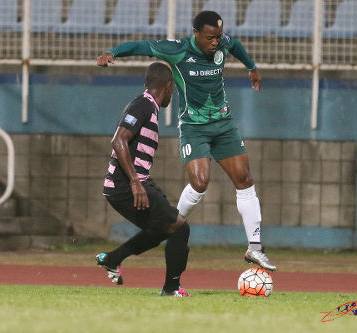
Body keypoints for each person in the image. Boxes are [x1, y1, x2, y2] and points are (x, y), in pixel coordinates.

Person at [97, 11, 275, 271]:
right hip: (194, 128)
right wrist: (113, 52)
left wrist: (251, 67)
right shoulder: (177, 50)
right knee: (200, 182)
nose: (216, 42)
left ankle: (255, 249)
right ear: (196, 34)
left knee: (245, 179)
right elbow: (142, 46)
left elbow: (235, 45)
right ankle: (173, 225)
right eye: (210, 38)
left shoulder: (223, 43)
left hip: (223, 125)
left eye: (217, 37)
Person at [95, 62, 190, 297]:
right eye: (173, 90)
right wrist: (136, 183)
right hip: (126, 186)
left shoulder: (147, 107)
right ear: (168, 87)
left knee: (163, 229)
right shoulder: (143, 105)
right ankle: (171, 288)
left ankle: (112, 258)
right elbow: (118, 141)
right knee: (179, 229)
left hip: (130, 184)